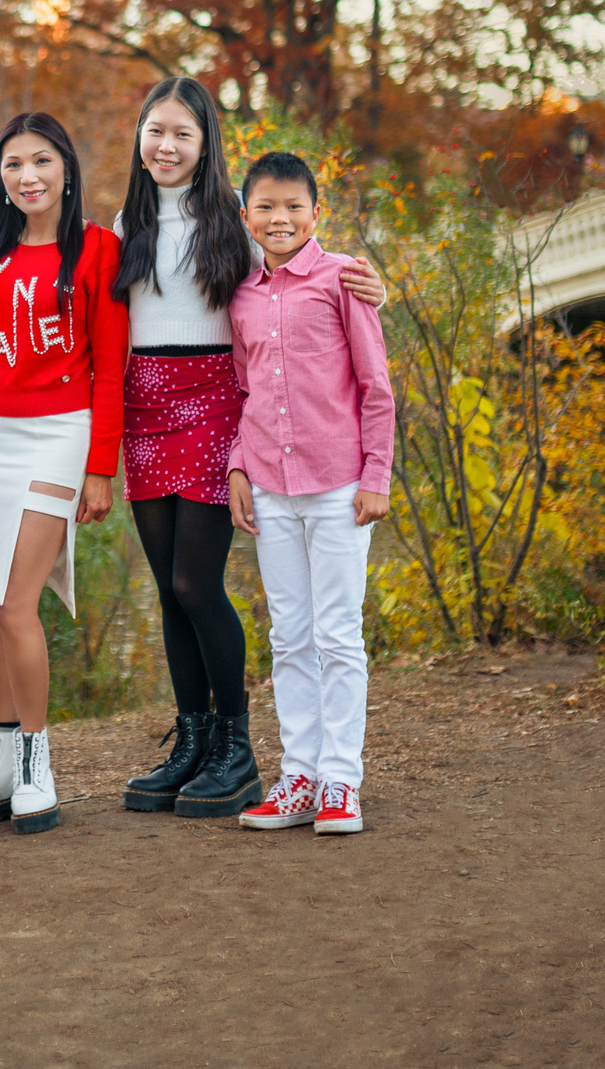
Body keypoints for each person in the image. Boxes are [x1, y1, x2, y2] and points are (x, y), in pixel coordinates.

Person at [112, 78, 385, 819]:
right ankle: (194, 741)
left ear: (206, 145)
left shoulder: (233, 221)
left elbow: (294, 281)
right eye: (155, 131)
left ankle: (238, 747)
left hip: (215, 403)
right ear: (139, 136)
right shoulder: (122, 223)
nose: (166, 146)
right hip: (145, 405)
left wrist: (371, 288)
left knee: (199, 583)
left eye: (183, 134)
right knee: (171, 588)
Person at [0, 113, 127, 835]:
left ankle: (39, 761)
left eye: (41, 161)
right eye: (13, 165)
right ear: (0, 179)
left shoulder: (99, 249)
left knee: (18, 604)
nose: (28, 176)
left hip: (58, 435)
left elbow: (112, 367)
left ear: (65, 169)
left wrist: (99, 469)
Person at [224, 151, 395, 837]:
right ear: (246, 216)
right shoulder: (240, 295)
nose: (281, 217)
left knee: (337, 634)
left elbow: (375, 386)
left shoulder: (344, 279)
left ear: (316, 212)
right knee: (289, 635)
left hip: (338, 488)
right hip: (270, 486)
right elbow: (243, 390)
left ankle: (340, 782)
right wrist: (238, 465)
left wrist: (377, 476)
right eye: (266, 206)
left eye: (294, 205)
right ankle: (298, 776)